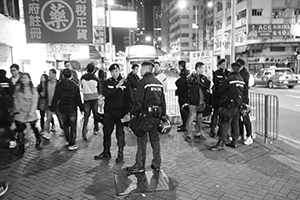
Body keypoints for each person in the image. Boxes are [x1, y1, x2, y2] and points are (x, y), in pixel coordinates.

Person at [126, 61, 167, 173]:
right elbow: (163, 101)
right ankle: (156, 164)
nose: (140, 71)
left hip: (144, 117)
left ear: (145, 69)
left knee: (142, 140)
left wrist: (134, 114)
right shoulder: (158, 83)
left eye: (141, 69)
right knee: (155, 140)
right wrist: (163, 116)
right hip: (156, 116)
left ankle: (140, 165)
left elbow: (138, 101)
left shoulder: (143, 82)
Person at [94, 63, 133, 163]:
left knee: (120, 133)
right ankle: (106, 152)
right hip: (109, 112)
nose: (114, 73)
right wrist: (116, 86)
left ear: (119, 71)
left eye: (116, 71)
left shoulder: (126, 83)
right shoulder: (107, 82)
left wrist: (128, 112)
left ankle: (120, 154)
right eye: (112, 72)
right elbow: (106, 94)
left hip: (121, 113)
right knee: (107, 132)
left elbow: (130, 99)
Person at [210, 62, 245, 151]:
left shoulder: (230, 79)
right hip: (237, 104)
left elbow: (220, 89)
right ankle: (234, 141)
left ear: (232, 69)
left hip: (229, 105)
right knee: (235, 123)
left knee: (224, 123)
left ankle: (221, 143)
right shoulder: (241, 79)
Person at [51, 69, 84, 151]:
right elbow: (78, 99)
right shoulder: (74, 86)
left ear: (63, 75)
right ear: (71, 75)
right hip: (72, 108)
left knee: (65, 125)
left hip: (62, 108)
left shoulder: (59, 86)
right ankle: (72, 143)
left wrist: (53, 107)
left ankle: (68, 139)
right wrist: (81, 108)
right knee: (73, 126)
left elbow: (55, 97)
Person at [14, 73, 42, 156]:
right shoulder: (18, 88)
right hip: (20, 112)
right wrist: (17, 107)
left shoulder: (33, 90)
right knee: (20, 131)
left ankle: (38, 138)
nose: (23, 80)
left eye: (25, 78)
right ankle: (21, 148)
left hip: (30, 112)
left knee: (33, 127)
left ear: (29, 79)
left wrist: (31, 112)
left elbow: (34, 103)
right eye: (22, 78)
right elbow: (15, 98)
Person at [184, 62, 211, 142]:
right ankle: (188, 134)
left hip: (202, 102)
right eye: (202, 68)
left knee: (200, 118)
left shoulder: (203, 77)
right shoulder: (191, 77)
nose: (203, 70)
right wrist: (197, 78)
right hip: (193, 101)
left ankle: (198, 132)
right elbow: (191, 83)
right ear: (198, 68)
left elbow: (207, 85)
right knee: (191, 117)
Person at [80, 62, 101, 140]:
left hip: (86, 100)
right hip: (94, 99)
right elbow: (99, 90)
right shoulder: (96, 79)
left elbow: (81, 87)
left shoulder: (82, 78)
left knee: (86, 116)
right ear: (93, 70)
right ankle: (96, 129)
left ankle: (84, 131)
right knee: (95, 115)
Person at [210, 59, 230, 137]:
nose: (224, 66)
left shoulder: (228, 73)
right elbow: (217, 83)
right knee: (215, 114)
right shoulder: (216, 73)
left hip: (225, 97)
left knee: (223, 115)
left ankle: (221, 131)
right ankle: (213, 130)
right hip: (217, 97)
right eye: (222, 64)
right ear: (219, 65)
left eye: (225, 64)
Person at [236, 58, 253, 145]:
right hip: (239, 98)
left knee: (245, 118)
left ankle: (249, 136)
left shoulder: (244, 74)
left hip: (244, 98)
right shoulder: (239, 73)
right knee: (238, 117)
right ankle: (240, 134)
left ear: (242, 66)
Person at [0, 70, 16, 148]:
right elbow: (11, 91)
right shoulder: (7, 81)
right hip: (6, 104)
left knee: (6, 125)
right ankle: (12, 139)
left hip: (4, 106)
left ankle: (12, 139)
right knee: (6, 125)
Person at [37, 74, 55, 140]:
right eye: (41, 77)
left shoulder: (48, 85)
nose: (42, 79)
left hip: (47, 102)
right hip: (42, 103)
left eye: (43, 77)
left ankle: (53, 125)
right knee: (43, 116)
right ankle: (43, 130)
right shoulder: (39, 86)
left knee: (49, 116)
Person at [175, 60, 189, 132]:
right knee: (183, 110)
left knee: (183, 110)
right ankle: (184, 124)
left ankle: (185, 125)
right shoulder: (184, 73)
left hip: (183, 95)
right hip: (183, 94)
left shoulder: (184, 74)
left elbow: (178, 83)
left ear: (181, 66)